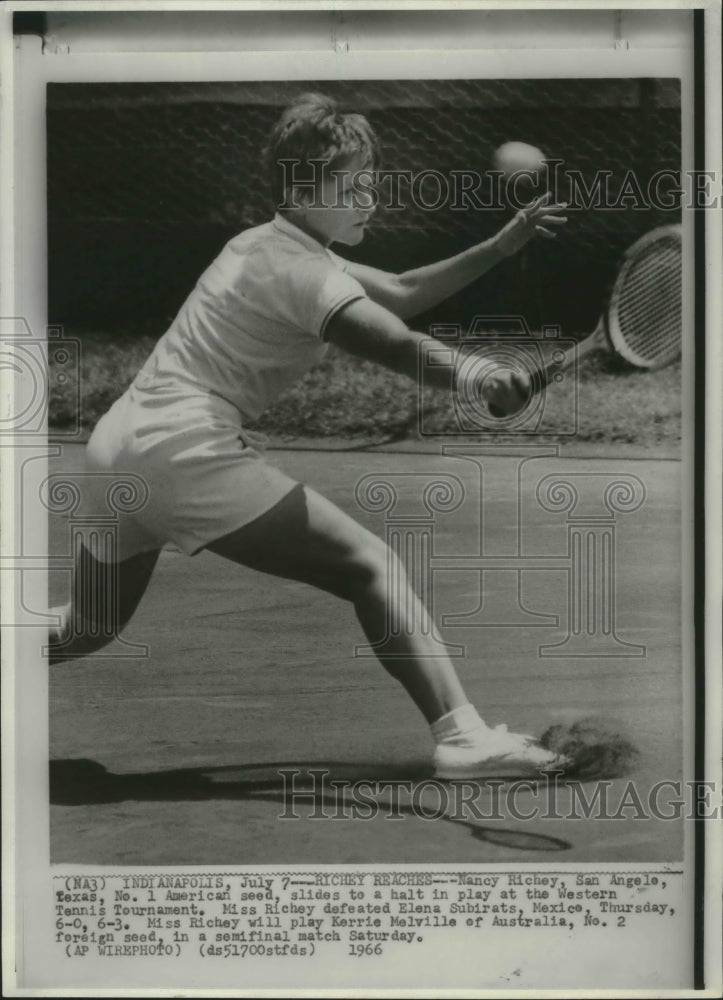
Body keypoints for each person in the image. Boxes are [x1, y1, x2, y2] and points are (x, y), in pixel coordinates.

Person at [50, 92, 569, 779]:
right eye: (351, 185)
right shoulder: (302, 273)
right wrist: (480, 377)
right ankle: (462, 735)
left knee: (84, 628)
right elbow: (393, 340)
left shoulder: (263, 243)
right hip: (184, 449)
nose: (369, 197)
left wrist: (503, 244)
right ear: (303, 189)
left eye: (371, 182)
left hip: (118, 447)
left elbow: (405, 289)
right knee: (371, 567)